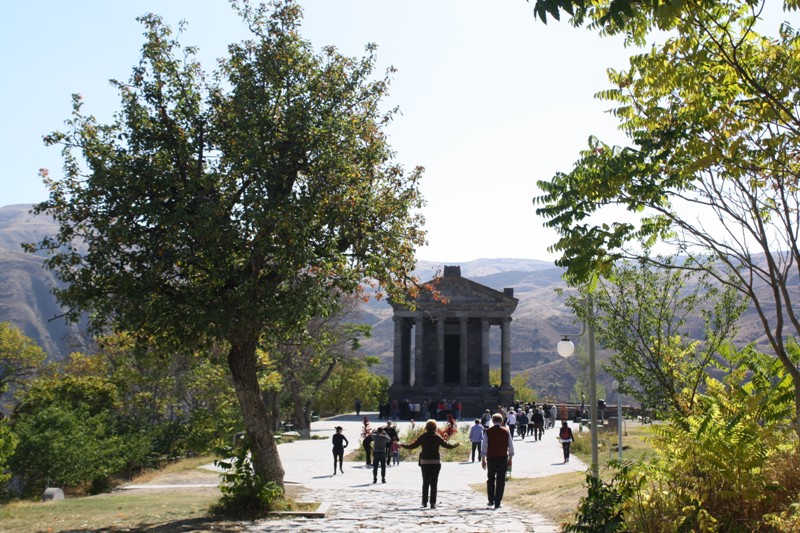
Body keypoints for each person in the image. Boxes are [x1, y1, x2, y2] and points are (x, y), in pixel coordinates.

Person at [401, 419, 460, 509]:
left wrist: (402, 445)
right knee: (434, 483)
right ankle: (433, 502)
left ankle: (424, 502)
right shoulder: (437, 437)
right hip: (435, 462)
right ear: (435, 428)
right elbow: (447, 445)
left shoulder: (423, 436)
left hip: (425, 462)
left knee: (425, 482)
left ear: (426, 427)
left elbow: (413, 445)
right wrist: (456, 445)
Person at [481, 413, 514, 510]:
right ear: (502, 421)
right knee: (500, 480)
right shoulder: (506, 431)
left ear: (492, 421)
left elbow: (484, 446)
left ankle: (491, 499)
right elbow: (510, 446)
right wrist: (510, 458)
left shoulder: (488, 431)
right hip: (502, 457)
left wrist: (483, 459)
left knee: (490, 479)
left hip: (491, 458)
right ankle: (498, 501)